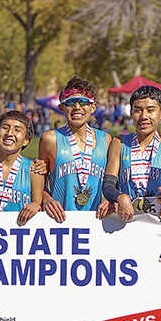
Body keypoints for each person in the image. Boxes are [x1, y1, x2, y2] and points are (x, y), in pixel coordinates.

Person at [40, 77, 111, 222]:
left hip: (96, 221)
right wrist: (46, 199)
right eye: (71, 102)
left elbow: (113, 182)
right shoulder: (50, 139)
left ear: (93, 107)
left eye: (83, 102)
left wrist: (113, 201)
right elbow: (39, 182)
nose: (77, 107)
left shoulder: (106, 140)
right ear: (61, 108)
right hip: (59, 221)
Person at [98, 86, 161, 222]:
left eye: (150, 110)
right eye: (138, 110)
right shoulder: (119, 143)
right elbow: (108, 185)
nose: (144, 116)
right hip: (128, 223)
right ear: (131, 113)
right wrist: (120, 197)